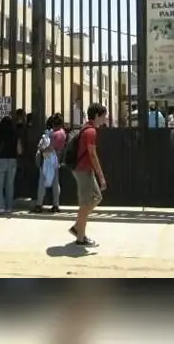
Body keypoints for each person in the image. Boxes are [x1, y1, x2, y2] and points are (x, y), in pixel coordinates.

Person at [69, 103, 108, 247]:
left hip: (84, 170)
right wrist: (101, 176)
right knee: (86, 204)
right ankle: (80, 238)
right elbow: (92, 154)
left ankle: (77, 227)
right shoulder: (90, 132)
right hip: (83, 170)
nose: (105, 119)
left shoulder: (87, 129)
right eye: (104, 116)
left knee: (96, 198)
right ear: (97, 115)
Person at [34, 113, 66, 213]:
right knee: (55, 183)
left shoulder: (53, 133)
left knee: (42, 182)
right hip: (56, 159)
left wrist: (42, 149)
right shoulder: (63, 133)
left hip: (48, 159)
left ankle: (39, 204)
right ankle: (56, 205)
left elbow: (50, 147)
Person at [0, 112, 23, 214]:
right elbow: (19, 150)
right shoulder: (16, 134)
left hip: (0, 160)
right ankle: (9, 207)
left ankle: (0, 207)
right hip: (12, 161)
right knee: (10, 185)